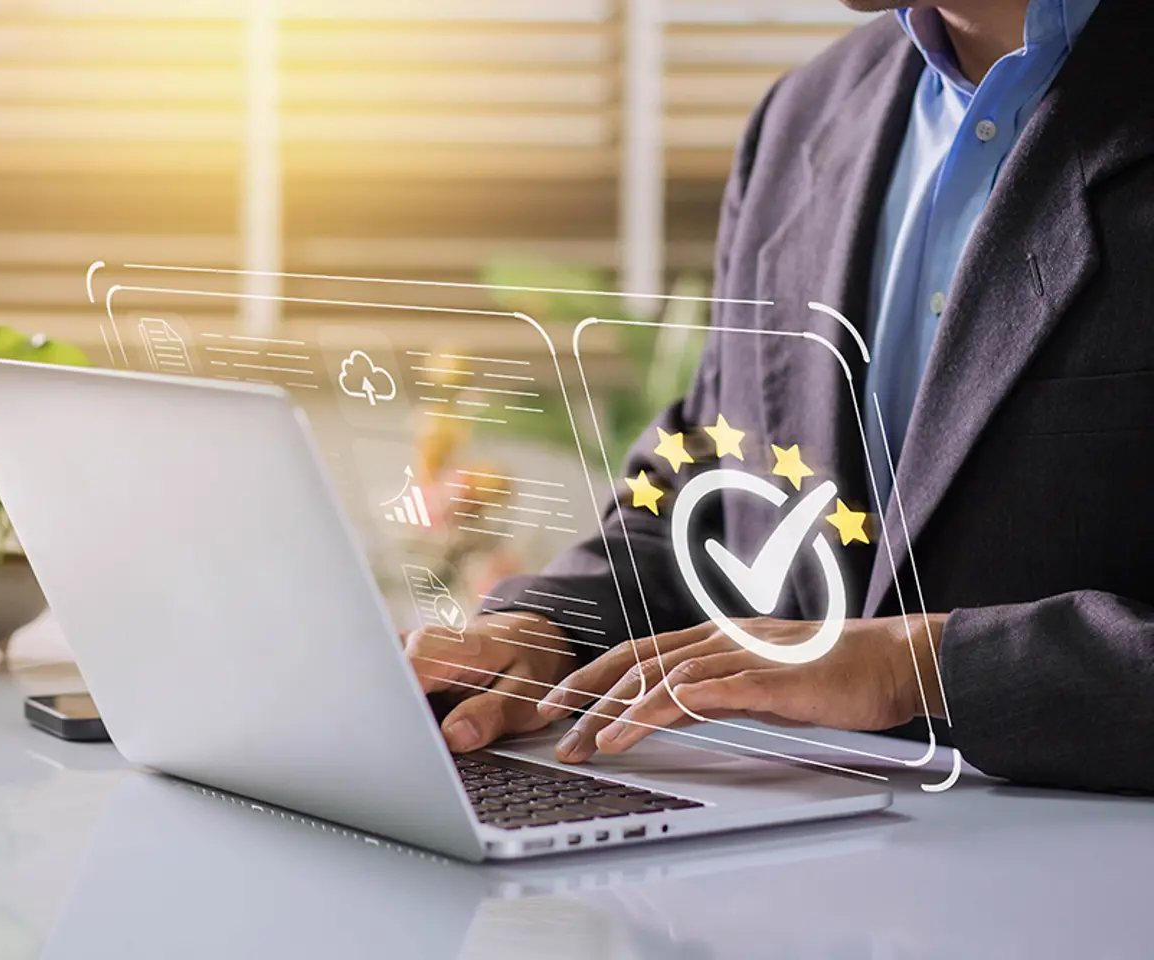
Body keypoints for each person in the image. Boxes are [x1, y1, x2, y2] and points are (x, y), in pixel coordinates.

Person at [407, 0, 1154, 793]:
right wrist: (553, 630)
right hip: (801, 869)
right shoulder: (804, 115)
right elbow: (712, 486)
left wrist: (921, 671)